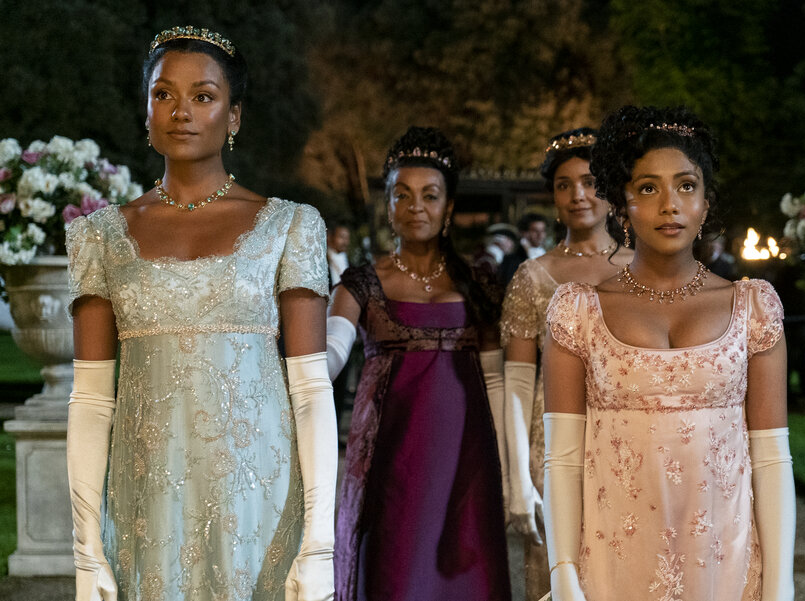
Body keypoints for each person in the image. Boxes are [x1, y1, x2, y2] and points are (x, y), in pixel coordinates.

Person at [65, 26, 337, 601]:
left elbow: (311, 391)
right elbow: (91, 398)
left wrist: (319, 545)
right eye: (163, 94)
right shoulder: (101, 236)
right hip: (145, 512)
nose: (180, 111)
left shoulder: (289, 226)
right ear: (145, 111)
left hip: (262, 510)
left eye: (203, 96)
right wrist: (86, 549)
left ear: (233, 117)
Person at [542, 106, 795, 601]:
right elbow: (563, 460)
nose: (669, 206)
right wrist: (563, 573)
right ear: (622, 205)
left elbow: (771, 459)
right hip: (611, 564)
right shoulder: (578, 312)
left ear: (705, 203)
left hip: (725, 563)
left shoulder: (753, 308)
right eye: (648, 188)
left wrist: (780, 585)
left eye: (685, 186)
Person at [327, 126, 511, 601]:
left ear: (448, 208)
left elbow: (495, 379)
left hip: (468, 464)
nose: (415, 207)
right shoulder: (359, 284)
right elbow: (329, 356)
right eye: (402, 195)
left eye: (429, 196)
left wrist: (510, 470)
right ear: (388, 205)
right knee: (394, 578)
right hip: (392, 467)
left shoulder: (480, 283)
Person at [500, 127, 633, 600]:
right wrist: (518, 479)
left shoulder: (645, 268)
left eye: (590, 182)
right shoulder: (533, 276)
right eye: (563, 185)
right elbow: (516, 383)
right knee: (557, 573)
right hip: (552, 440)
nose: (578, 195)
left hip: (629, 438)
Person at [499, 213, 548, 286]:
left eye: (542, 230)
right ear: (524, 233)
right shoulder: (512, 259)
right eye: (535, 231)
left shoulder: (547, 254)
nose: (540, 235)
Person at [327, 221, 352, 287]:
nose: (345, 242)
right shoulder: (323, 260)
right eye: (341, 237)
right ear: (330, 237)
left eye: (347, 238)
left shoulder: (350, 264)